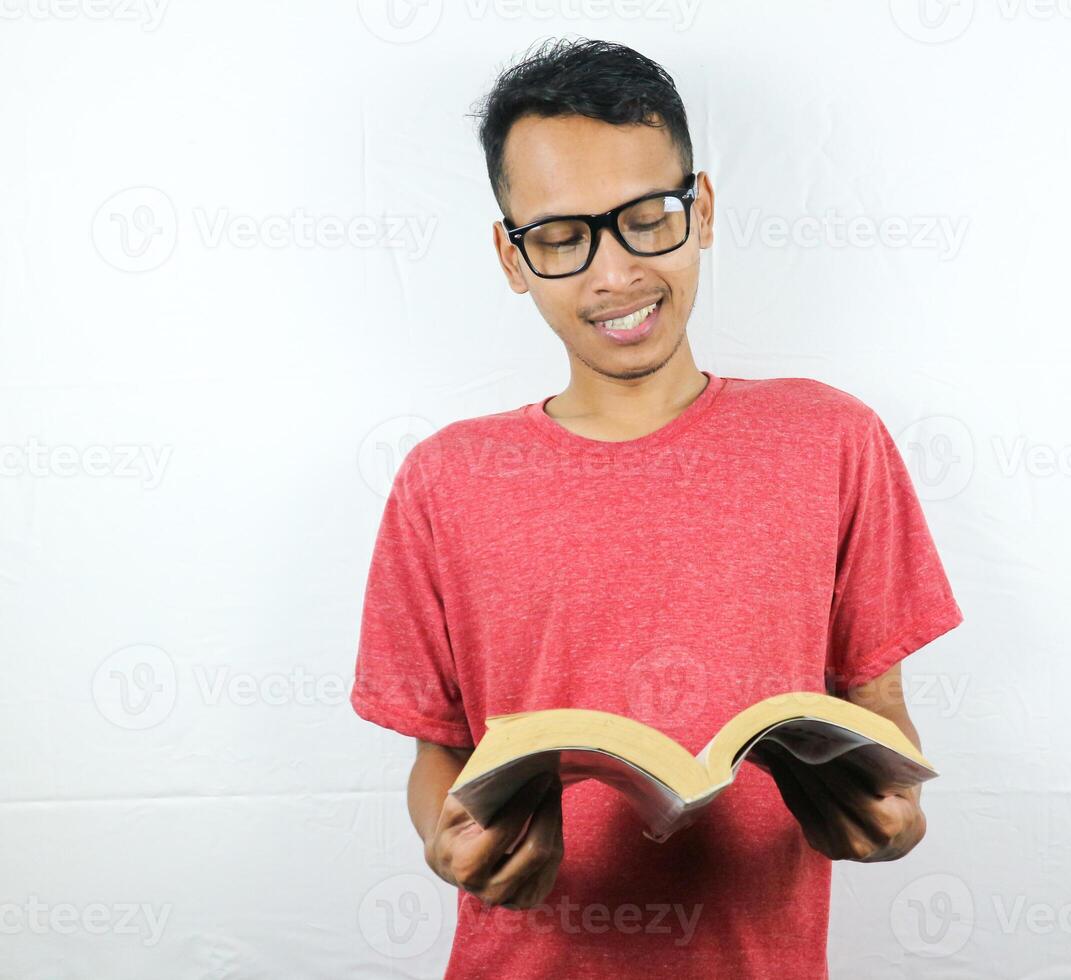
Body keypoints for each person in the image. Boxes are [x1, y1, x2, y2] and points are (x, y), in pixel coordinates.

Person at [351, 36, 963, 979]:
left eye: (646, 217)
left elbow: (877, 715)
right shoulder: (446, 478)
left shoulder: (832, 438)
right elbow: (441, 758)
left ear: (702, 209)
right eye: (560, 237)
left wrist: (892, 815)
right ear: (511, 258)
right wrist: (450, 843)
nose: (614, 274)